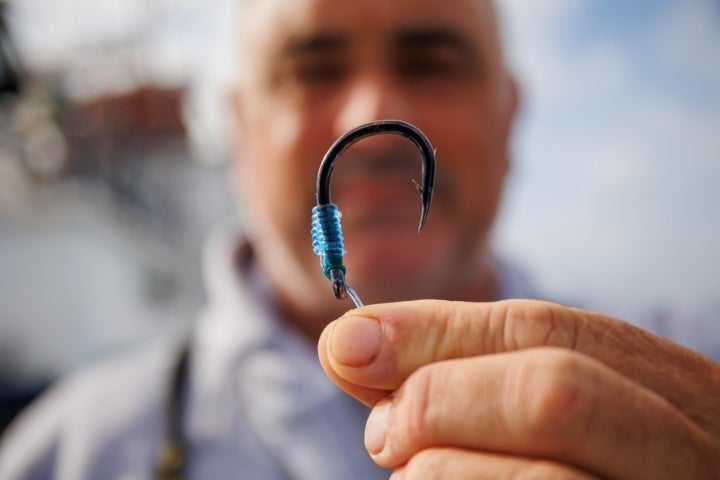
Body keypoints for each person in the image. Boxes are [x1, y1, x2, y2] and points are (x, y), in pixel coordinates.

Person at [1, 0, 719, 478]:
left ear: (510, 117)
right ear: (241, 129)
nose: (375, 108)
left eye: (431, 61)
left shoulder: (696, 372)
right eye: (312, 69)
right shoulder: (59, 456)